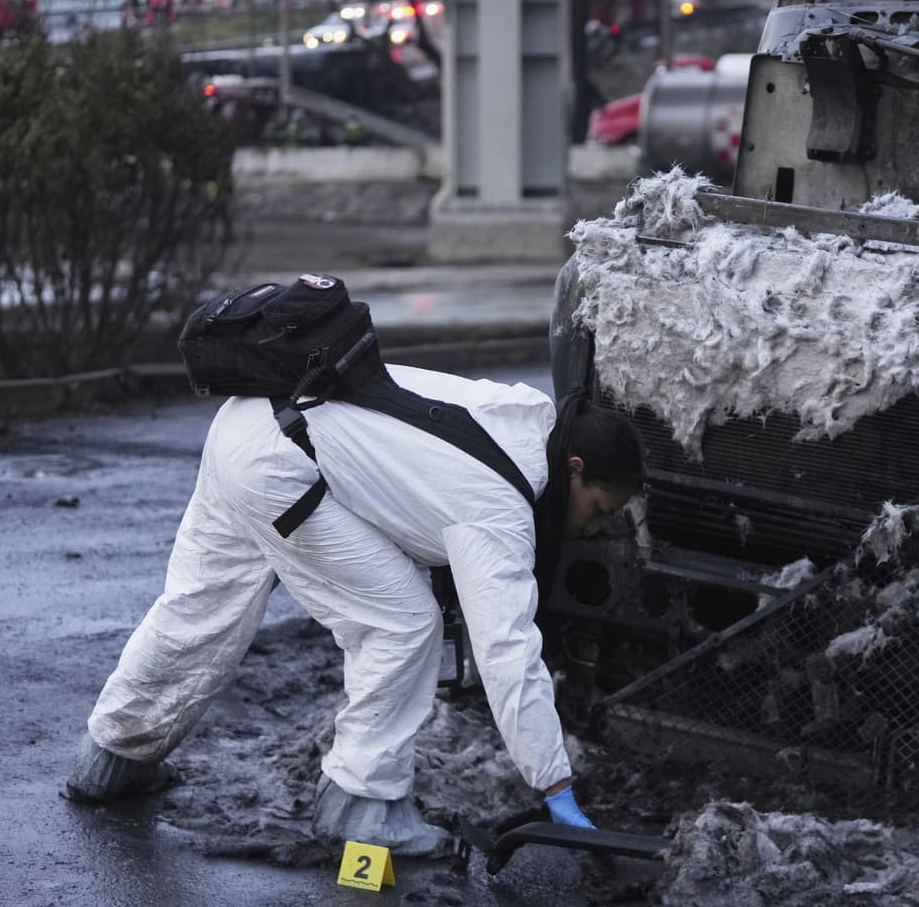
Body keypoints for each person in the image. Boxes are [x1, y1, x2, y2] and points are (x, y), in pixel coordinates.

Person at [64, 366, 645, 857]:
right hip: (282, 461)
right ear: (574, 467)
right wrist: (556, 783)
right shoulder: (503, 505)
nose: (593, 525)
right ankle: (361, 807)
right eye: (600, 507)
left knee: (200, 605)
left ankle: (111, 758)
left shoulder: (527, 418)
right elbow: (507, 650)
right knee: (403, 623)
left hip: (249, 422)